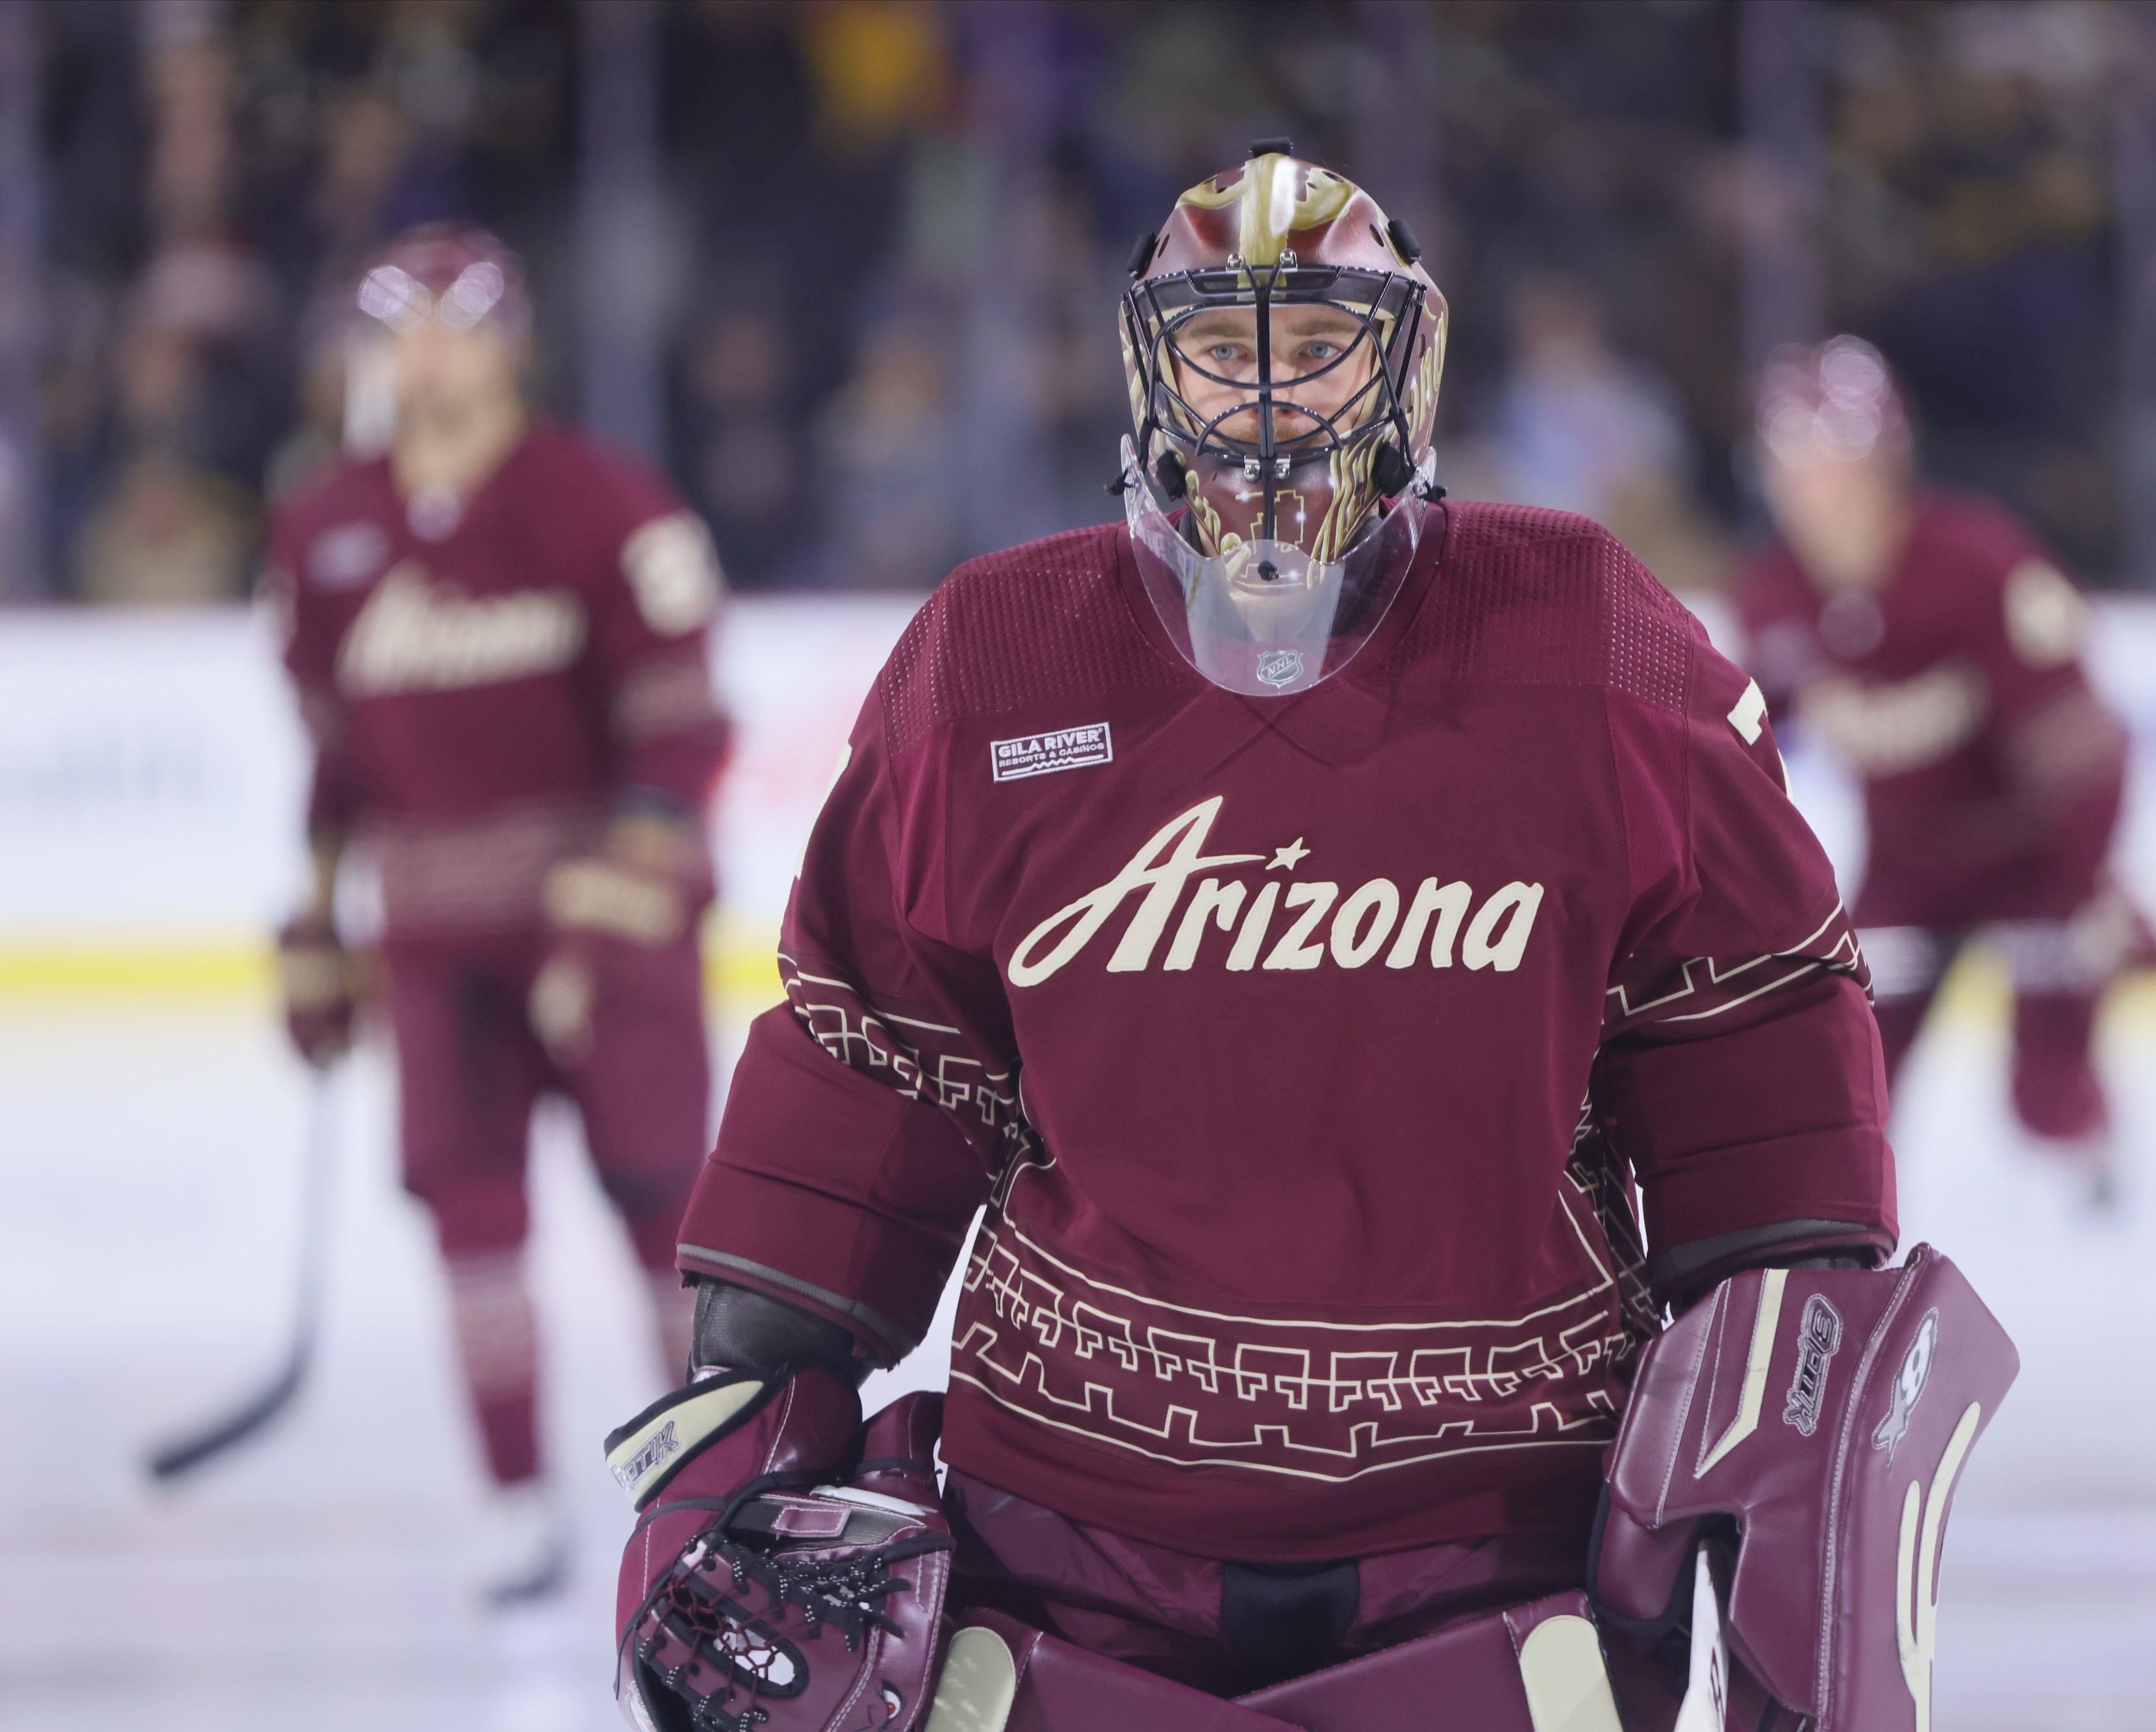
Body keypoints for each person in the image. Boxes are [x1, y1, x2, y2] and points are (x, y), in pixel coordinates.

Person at [602, 147, 2007, 1731]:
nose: (1267, 398)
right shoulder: (995, 655)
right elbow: (870, 1054)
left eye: (1318, 344)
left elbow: (1746, 1038)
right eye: (1220, 348)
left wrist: (1785, 1456)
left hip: (1489, 1539)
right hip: (1068, 1539)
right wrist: (738, 1432)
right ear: (1151, 365)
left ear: (1403, 363)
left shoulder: (1594, 639)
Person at [267, 225, 732, 1601]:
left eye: (453, 322)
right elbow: (333, 756)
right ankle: (515, 1500)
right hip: (433, 940)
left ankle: (714, 1495)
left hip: (602, 925)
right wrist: (312, 924)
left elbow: (680, 730)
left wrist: (608, 911)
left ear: (510, 340)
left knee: (666, 1208)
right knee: (469, 1215)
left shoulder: (602, 503)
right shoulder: (323, 526)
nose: (423, 352)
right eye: (397, 325)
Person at [1732, 337, 2149, 1194]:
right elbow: (1733, 766)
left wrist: (2088, 881)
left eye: (1832, 460)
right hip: (1909, 865)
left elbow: (2083, 746)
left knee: (2046, 1103)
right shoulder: (1771, 597)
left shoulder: (1981, 567)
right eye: (1792, 462)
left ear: (1885, 462)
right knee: (1848, 1078)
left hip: (2035, 863)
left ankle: (2087, 1124)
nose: (1811, 487)